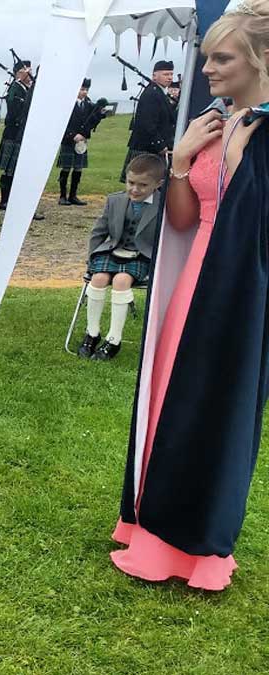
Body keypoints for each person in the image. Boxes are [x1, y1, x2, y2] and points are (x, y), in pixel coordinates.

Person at [111, 2, 269, 591]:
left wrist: (234, 154)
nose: (207, 69)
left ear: (261, 61)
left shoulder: (262, 129)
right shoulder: (209, 119)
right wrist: (179, 163)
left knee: (212, 405)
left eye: (222, 58)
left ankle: (195, 547)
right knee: (167, 397)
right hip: (193, 278)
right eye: (206, 58)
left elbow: (250, 219)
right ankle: (149, 528)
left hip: (239, 289)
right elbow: (183, 220)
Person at [74, 153, 165, 361]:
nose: (134, 189)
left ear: (158, 184)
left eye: (142, 185)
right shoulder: (114, 200)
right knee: (97, 279)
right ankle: (92, 333)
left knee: (121, 280)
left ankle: (113, 340)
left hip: (141, 256)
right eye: (131, 182)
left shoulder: (164, 205)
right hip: (113, 250)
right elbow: (98, 232)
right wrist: (91, 260)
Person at [121, 60, 178, 182]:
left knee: (151, 185)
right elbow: (147, 124)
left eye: (171, 74)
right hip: (147, 148)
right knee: (141, 184)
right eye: (166, 74)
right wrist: (160, 145)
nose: (169, 78)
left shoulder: (159, 92)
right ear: (154, 76)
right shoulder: (152, 94)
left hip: (152, 147)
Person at [58, 79, 111, 206]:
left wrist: (101, 111)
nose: (84, 92)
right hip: (68, 140)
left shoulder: (88, 105)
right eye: (82, 89)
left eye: (86, 90)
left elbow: (93, 119)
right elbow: (61, 122)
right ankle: (62, 196)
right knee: (66, 168)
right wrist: (72, 135)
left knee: (78, 168)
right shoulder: (67, 103)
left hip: (82, 140)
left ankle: (73, 196)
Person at [0, 60, 35, 211]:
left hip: (23, 132)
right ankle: (4, 201)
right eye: (27, 70)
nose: (30, 73)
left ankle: (16, 200)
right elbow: (15, 110)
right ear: (19, 73)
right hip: (14, 133)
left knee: (21, 169)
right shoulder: (15, 88)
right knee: (10, 169)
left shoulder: (26, 88)